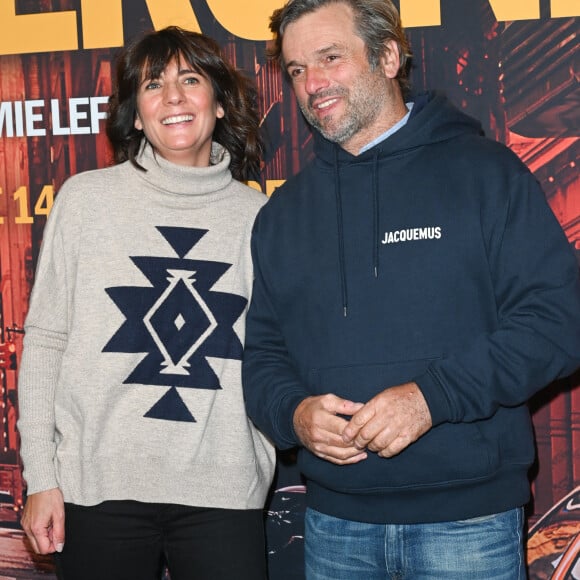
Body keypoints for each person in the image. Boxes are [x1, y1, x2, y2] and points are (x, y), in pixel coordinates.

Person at [242, 1, 580, 578]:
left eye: (330, 58)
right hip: (333, 529)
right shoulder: (282, 214)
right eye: (297, 70)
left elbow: (559, 321)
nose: (312, 84)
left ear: (389, 56)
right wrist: (294, 414)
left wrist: (431, 397)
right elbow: (264, 355)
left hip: (469, 527)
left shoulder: (486, 174)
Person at [17, 26, 275, 580]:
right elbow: (45, 343)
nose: (174, 98)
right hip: (99, 488)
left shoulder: (260, 220)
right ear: (135, 114)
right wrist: (41, 477)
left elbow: (276, 352)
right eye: (153, 85)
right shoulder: (86, 201)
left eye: (190, 79)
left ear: (220, 102)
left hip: (224, 488)